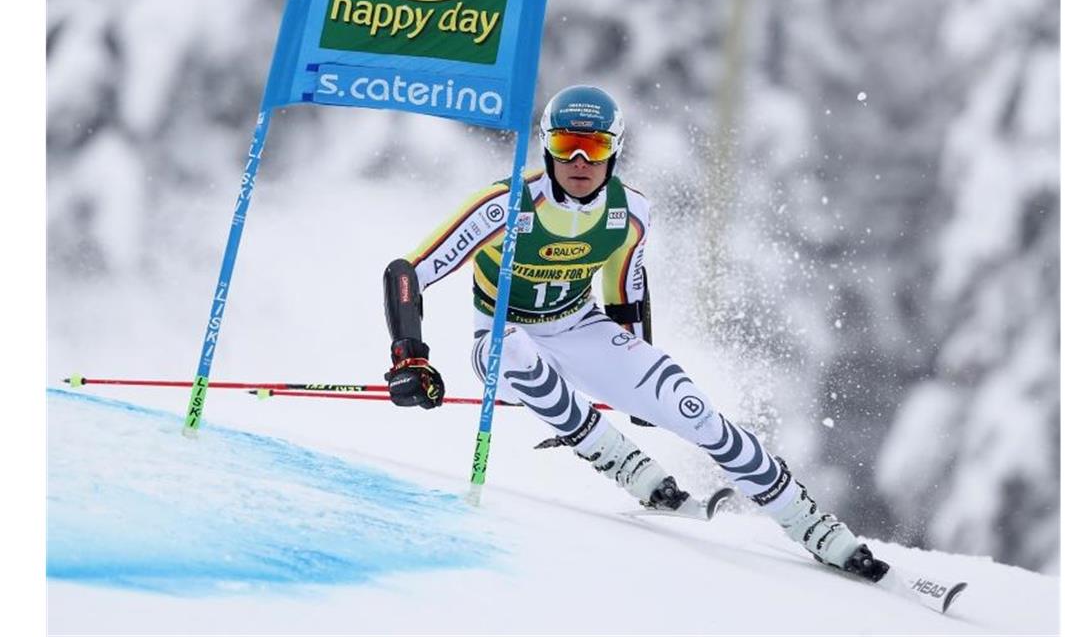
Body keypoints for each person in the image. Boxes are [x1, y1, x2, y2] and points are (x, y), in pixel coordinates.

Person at [380, 85, 886, 579]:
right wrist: (410, 356)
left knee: (694, 411)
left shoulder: (631, 214)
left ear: (615, 152)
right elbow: (407, 271)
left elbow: (625, 295)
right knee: (510, 352)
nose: (580, 160)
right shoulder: (506, 205)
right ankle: (624, 464)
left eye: (595, 147)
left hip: (580, 328)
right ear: (546, 147)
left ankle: (815, 526)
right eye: (565, 146)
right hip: (501, 337)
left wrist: (638, 384)